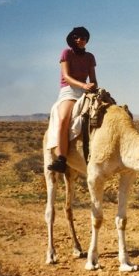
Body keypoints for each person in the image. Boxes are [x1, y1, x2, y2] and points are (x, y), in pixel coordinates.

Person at [48, 26, 97, 173]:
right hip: (69, 91)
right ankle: (61, 158)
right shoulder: (66, 53)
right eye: (77, 37)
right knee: (64, 119)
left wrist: (93, 87)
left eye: (83, 38)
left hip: (85, 91)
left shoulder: (90, 57)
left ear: (86, 40)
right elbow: (67, 77)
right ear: (73, 39)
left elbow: (94, 79)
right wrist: (83, 85)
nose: (80, 40)